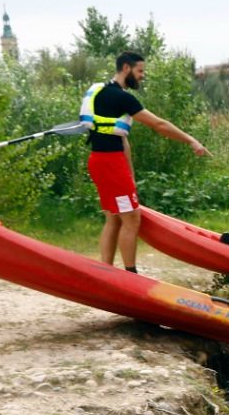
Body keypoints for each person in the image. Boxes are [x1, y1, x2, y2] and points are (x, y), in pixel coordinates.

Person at [81, 51, 208, 273]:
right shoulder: (123, 98)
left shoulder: (100, 92)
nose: (142, 76)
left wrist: (129, 173)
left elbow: (121, 138)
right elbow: (159, 125)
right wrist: (191, 140)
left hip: (99, 160)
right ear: (126, 68)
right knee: (132, 220)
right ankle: (131, 274)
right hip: (110, 163)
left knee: (113, 219)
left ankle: (105, 272)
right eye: (140, 71)